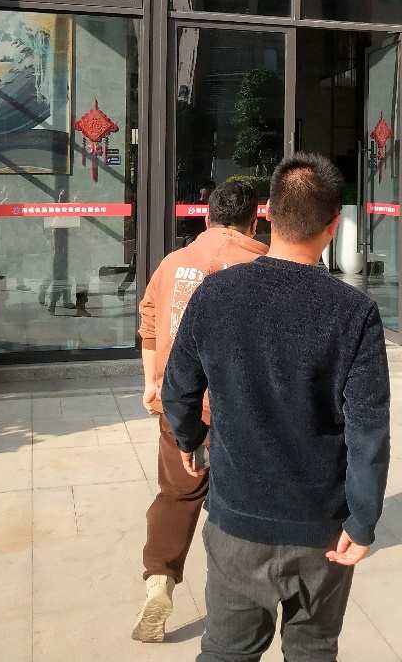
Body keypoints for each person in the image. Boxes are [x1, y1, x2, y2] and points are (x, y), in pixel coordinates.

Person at [162, 152, 390, 662]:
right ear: (333, 226)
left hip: (238, 518)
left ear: (267, 214)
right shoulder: (354, 311)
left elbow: (179, 388)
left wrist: (190, 439)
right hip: (322, 528)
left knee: (227, 651)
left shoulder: (216, 294)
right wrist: (363, 518)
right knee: (313, 650)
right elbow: (368, 430)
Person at [133, 180, 267, 644]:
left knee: (177, 494)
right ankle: (236, 594)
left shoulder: (173, 262)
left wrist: (152, 382)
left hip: (181, 402)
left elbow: (150, 323)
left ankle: (159, 580)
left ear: (207, 217)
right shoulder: (264, 266)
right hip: (244, 407)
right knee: (242, 500)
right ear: (254, 222)